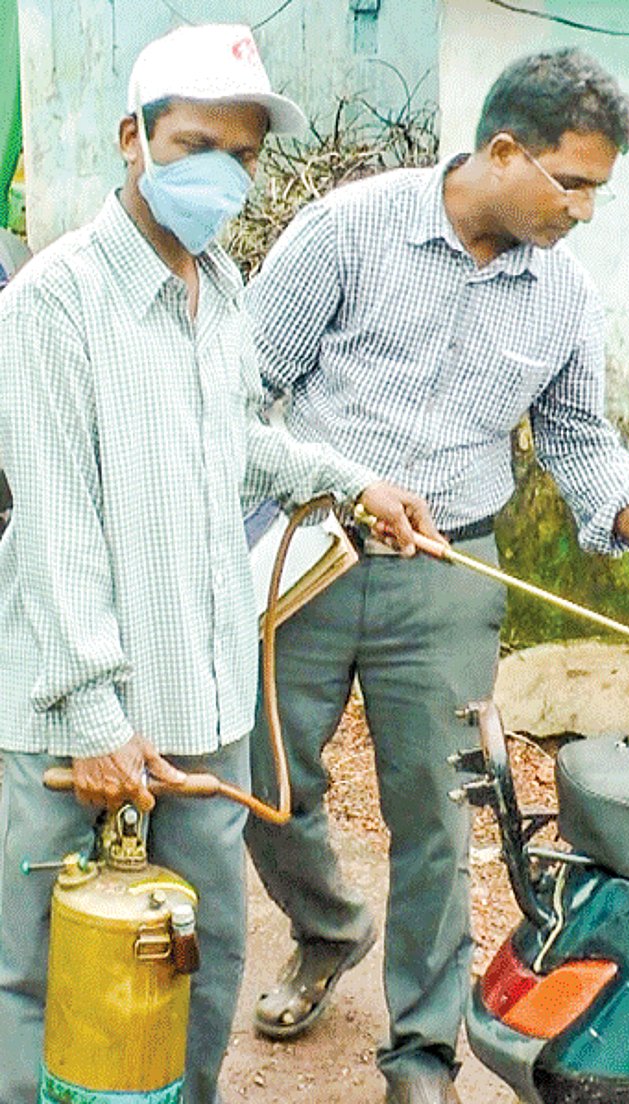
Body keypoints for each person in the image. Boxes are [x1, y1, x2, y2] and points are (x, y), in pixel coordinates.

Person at [243, 47, 629, 1104]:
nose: (586, 210)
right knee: (263, 782)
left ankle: (421, 1054)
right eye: (573, 182)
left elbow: (579, 439)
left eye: (599, 188)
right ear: (504, 151)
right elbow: (246, 388)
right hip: (307, 548)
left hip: (448, 569)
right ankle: (327, 928)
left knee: (436, 815)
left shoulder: (562, 294)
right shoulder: (347, 232)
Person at [0, 24, 434, 1104]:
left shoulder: (222, 287)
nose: (221, 177)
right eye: (195, 145)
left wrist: (346, 480)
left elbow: (236, 436)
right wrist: (94, 715)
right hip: (76, 716)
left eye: (241, 157)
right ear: (132, 140)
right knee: (42, 972)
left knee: (200, 959)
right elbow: (52, 519)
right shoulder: (52, 305)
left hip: (202, 700)